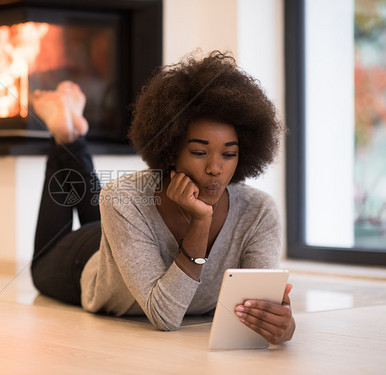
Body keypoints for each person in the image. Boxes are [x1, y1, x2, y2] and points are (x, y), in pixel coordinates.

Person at [29, 51, 295, 344]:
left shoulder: (258, 211)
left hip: (130, 232)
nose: (215, 168)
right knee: (42, 265)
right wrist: (200, 222)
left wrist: (282, 326)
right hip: (87, 258)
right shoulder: (125, 198)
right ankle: (65, 138)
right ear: (171, 149)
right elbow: (165, 316)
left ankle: (72, 133)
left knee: (114, 203)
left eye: (229, 154)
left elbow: (258, 310)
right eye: (199, 153)